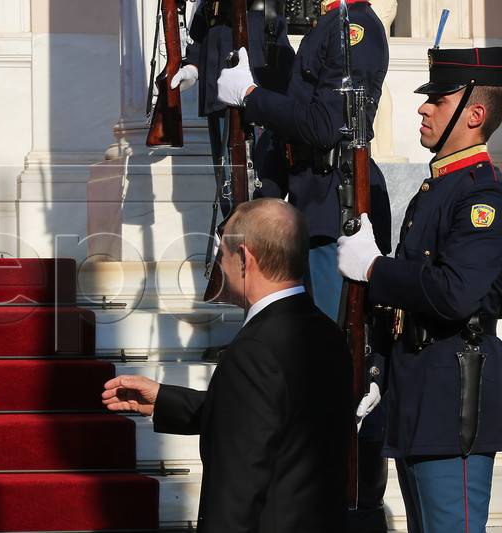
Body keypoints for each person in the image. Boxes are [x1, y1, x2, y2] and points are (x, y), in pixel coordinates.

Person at [103, 198, 353, 532]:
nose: (219, 265)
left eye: (221, 254)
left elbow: (237, 491)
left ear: (245, 259)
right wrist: (165, 400)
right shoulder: (327, 332)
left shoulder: (254, 349)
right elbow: (273, 416)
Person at [337, 47, 502, 532]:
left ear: (475, 114)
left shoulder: (482, 195)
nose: (422, 108)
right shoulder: (436, 190)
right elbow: (405, 305)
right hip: (416, 398)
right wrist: (377, 370)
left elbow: (454, 294)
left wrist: (374, 269)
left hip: (453, 402)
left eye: (438, 100)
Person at [216, 0, 392, 321]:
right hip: (310, 202)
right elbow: (292, 131)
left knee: (329, 334)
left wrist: (250, 95)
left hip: (336, 204)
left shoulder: (355, 25)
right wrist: (255, 207)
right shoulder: (329, 21)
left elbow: (325, 126)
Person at [170, 0, 295, 218]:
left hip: (261, 82)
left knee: (262, 183)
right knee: (228, 182)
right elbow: (202, 33)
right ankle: (232, 228)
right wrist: (192, 66)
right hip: (219, 88)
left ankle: (258, 232)